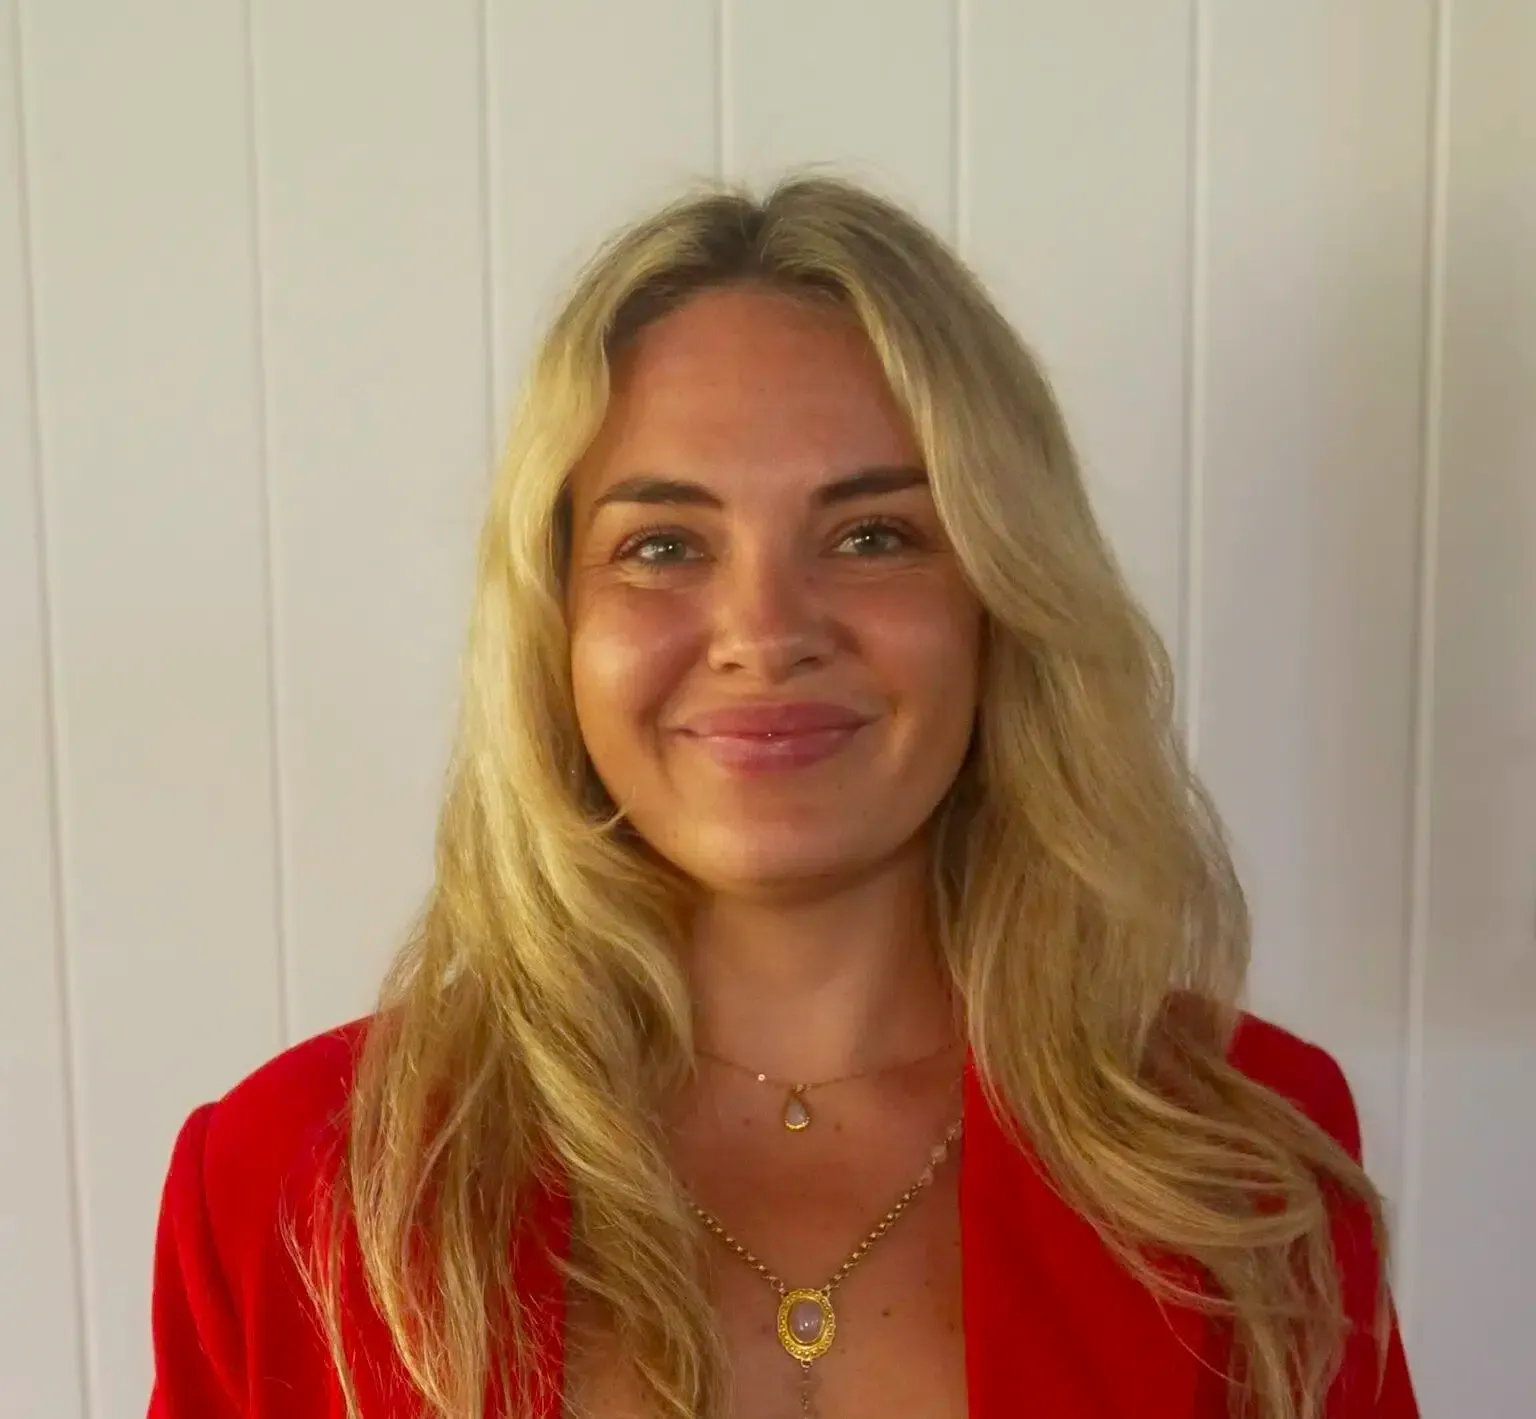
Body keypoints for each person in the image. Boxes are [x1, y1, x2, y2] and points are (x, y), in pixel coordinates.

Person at [146, 175, 1418, 1419]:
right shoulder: (294, 1183)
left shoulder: (1241, 1167)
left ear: (1001, 603)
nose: (763, 633)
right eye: (662, 546)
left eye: (873, 536)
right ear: (555, 628)